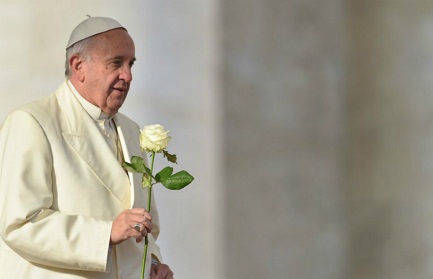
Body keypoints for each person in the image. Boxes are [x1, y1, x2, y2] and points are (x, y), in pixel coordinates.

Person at [0, 17, 174, 279]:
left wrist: (152, 264)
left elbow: (145, 225)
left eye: (131, 64)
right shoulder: (33, 122)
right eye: (116, 63)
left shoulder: (131, 132)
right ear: (78, 65)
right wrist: (106, 233)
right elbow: (20, 224)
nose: (127, 75)